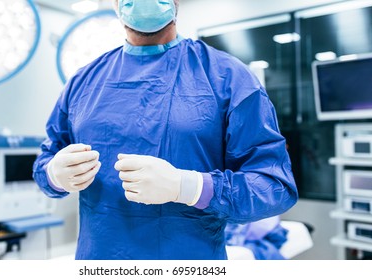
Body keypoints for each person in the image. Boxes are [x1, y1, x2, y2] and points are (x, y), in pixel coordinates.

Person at [32, 0, 298, 260]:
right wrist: (55, 174)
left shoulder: (228, 78)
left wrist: (189, 187)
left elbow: (274, 187)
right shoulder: (83, 81)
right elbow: (46, 162)